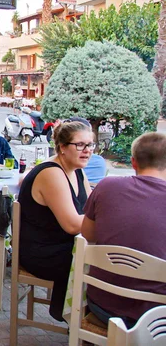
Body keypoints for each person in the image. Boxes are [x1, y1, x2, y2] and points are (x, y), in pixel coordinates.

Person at [82, 132, 166, 328]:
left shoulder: (107, 186)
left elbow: (88, 234)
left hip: (103, 306)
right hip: (157, 317)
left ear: (133, 162)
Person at [19, 121, 93, 321]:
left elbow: (89, 209)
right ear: (62, 147)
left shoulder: (77, 169)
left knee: (102, 257)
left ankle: (87, 320)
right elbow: (71, 225)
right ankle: (80, 321)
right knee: (97, 263)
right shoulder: (51, 173)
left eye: (90, 145)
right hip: (41, 252)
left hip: (64, 246)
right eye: (80, 145)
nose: (87, 151)